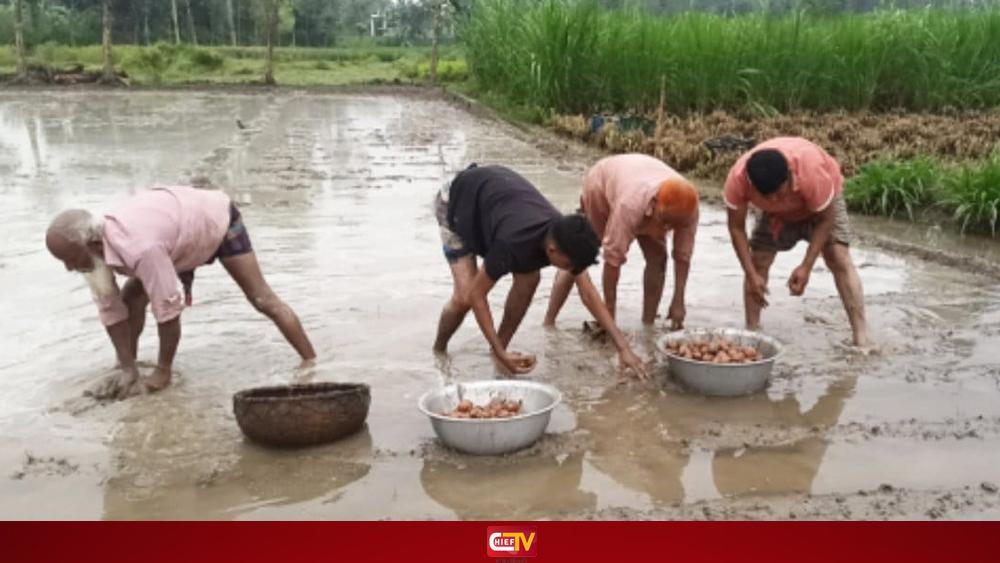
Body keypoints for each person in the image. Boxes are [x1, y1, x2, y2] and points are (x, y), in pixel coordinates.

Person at [45, 186, 316, 399]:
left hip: (214, 220)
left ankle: (312, 363)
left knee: (262, 299)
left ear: (92, 243)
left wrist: (163, 372)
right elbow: (110, 309)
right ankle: (129, 367)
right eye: (63, 262)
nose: (69, 268)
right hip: (172, 231)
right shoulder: (95, 255)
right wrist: (127, 367)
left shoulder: (142, 248)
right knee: (131, 297)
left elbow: (168, 311)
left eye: (71, 258)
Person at [432, 164, 648, 378]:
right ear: (553, 250)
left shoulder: (563, 234)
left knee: (529, 279)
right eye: (568, 266)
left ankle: (500, 353)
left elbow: (589, 294)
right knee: (463, 298)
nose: (570, 271)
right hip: (456, 201)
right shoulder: (512, 243)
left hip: (493, 202)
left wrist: (623, 348)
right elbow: (476, 295)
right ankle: (439, 352)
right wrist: (498, 349)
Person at [724, 137, 869, 346]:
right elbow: (736, 228)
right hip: (776, 217)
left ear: (790, 176)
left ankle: (861, 338)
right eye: (766, 197)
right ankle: (753, 331)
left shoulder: (811, 170)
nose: (774, 200)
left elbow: (827, 220)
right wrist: (751, 274)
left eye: (778, 193)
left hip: (820, 206)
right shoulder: (737, 180)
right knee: (758, 260)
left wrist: (806, 266)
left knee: (838, 257)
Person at [544, 154, 699, 330]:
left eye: (674, 225)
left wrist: (679, 300)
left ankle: (648, 324)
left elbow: (683, 256)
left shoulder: (689, 209)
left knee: (658, 257)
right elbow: (612, 261)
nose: (667, 228)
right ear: (654, 205)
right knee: (579, 254)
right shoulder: (629, 207)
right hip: (601, 186)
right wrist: (610, 319)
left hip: (639, 178)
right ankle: (549, 321)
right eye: (664, 221)